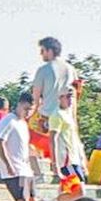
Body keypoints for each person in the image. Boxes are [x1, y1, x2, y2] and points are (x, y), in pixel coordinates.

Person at [30, 37, 73, 174]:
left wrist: (29, 115)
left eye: (42, 50)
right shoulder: (70, 69)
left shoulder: (43, 70)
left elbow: (35, 97)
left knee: (30, 143)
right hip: (65, 116)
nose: (41, 54)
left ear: (50, 51)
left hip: (46, 116)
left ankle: (40, 173)